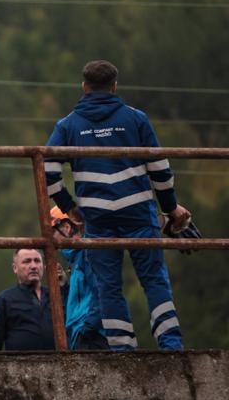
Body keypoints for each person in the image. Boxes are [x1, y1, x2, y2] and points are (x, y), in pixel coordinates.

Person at [44, 60, 191, 350]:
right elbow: (160, 169)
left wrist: (69, 207)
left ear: (84, 87)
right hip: (139, 215)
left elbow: (47, 169)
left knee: (108, 287)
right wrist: (171, 209)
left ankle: (123, 349)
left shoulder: (68, 125)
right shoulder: (136, 119)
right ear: (114, 87)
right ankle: (171, 346)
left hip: (98, 219)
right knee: (154, 281)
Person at [50, 206, 108, 350]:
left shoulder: (86, 254)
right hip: (82, 335)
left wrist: (87, 329)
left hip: (92, 337)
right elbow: (83, 298)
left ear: (66, 227)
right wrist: (64, 286)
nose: (50, 240)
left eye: (52, 232)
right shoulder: (77, 258)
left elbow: (102, 292)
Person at [0, 248, 55, 351]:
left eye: (37, 261)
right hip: (20, 365)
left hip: (58, 363)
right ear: (15, 268)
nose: (33, 266)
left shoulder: (57, 296)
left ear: (44, 266)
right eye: (27, 261)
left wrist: (64, 287)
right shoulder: (4, 300)